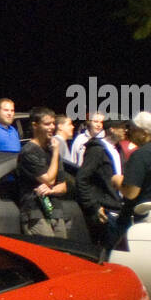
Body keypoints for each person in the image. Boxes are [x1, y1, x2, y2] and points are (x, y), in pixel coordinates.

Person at [16, 107, 67, 238]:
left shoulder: (52, 149)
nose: (51, 127)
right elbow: (49, 180)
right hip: (35, 212)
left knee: (64, 253)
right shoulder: (29, 152)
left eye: (53, 123)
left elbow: (63, 186)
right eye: (47, 124)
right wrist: (56, 153)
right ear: (35, 125)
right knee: (48, 254)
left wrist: (52, 191)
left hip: (55, 211)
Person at [76, 119, 125, 253]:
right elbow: (82, 178)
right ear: (112, 129)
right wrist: (94, 206)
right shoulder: (97, 150)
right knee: (106, 252)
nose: (125, 130)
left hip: (117, 208)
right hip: (105, 211)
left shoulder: (118, 149)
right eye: (121, 127)